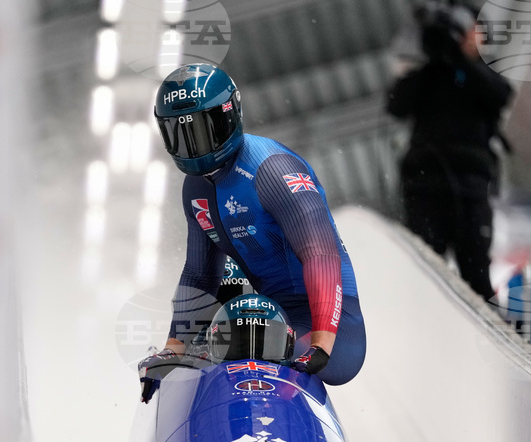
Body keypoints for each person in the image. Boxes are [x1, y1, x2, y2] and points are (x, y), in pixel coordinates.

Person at [138, 62, 365, 395]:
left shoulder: (272, 170)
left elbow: (320, 253)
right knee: (224, 307)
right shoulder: (195, 190)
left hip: (332, 324)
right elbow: (200, 276)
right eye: (182, 134)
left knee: (243, 342)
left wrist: (321, 343)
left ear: (230, 116)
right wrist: (173, 350)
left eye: (204, 130)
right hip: (269, 315)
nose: (195, 145)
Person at [386, 2, 513, 300]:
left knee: (476, 277)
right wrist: (436, 58)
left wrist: (461, 60)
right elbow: (396, 104)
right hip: (425, 184)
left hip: (470, 188)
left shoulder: (481, 77)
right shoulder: (430, 76)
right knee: (424, 273)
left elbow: (500, 95)